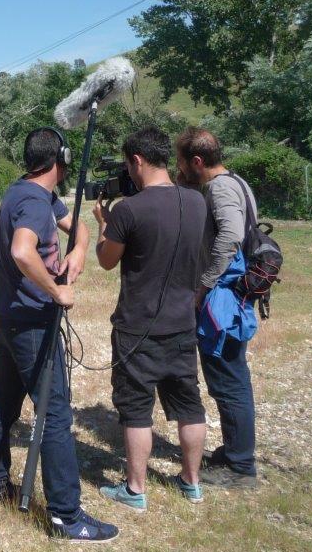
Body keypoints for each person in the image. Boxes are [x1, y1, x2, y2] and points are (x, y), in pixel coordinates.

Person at [0, 127, 118, 543]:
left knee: (4, 400)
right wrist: (56, 289)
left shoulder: (27, 192)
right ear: (62, 161)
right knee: (53, 414)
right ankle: (66, 516)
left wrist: (77, 251)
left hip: (8, 318)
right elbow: (22, 251)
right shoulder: (36, 203)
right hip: (32, 324)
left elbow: (79, 228)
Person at [92, 127, 208, 512]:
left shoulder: (129, 210)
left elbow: (107, 260)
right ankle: (192, 482)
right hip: (182, 323)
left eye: (128, 163)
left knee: (136, 409)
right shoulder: (196, 202)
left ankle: (135, 488)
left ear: (137, 161)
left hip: (137, 327)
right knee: (190, 405)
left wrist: (103, 225)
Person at [176, 127, 260, 488]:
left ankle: (240, 467)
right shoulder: (232, 182)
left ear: (197, 161)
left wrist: (203, 284)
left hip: (222, 297)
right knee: (229, 377)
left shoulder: (222, 188)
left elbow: (231, 237)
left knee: (229, 380)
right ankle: (234, 451)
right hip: (226, 295)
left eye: (181, 162)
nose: (178, 168)